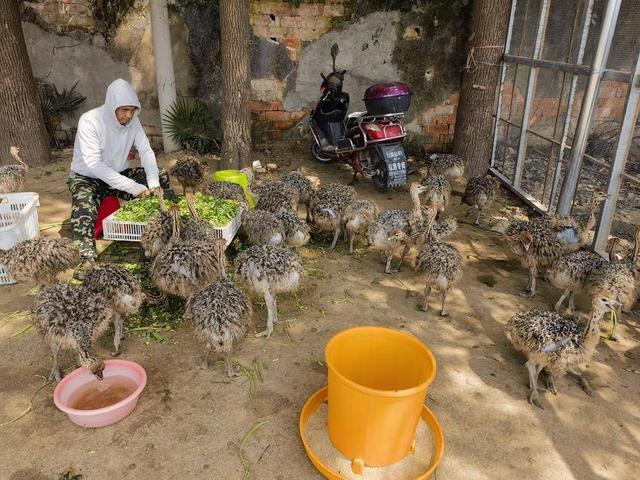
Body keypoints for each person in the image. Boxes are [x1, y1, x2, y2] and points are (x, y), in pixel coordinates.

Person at [68, 78, 170, 267]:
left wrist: (153, 183)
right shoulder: (90, 121)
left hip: (118, 174)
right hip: (87, 178)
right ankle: (86, 259)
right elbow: (93, 164)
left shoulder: (134, 122)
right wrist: (133, 187)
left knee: (161, 177)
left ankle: (155, 237)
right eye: (124, 110)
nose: (129, 115)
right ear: (112, 106)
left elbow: (146, 151)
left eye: (132, 110)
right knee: (84, 210)